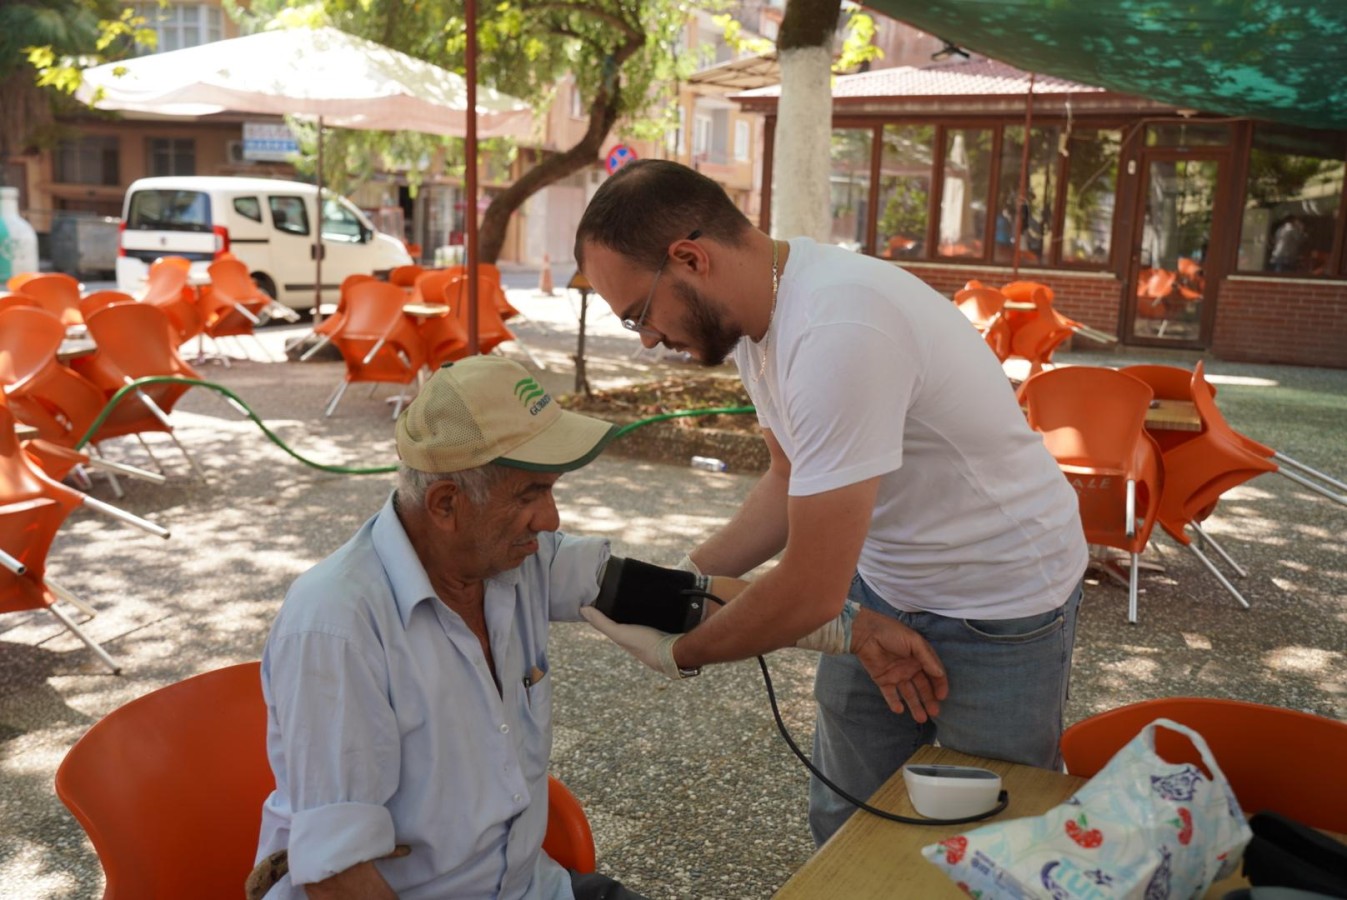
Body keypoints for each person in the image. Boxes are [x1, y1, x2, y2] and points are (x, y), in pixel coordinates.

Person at [253, 355, 946, 898]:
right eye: (531, 495)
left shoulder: (513, 561)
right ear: (442, 504)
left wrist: (847, 631)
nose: (551, 520)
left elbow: (674, 596)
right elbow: (337, 874)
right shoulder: (337, 628)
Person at [574, 159, 1088, 845]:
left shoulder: (839, 328)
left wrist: (685, 648)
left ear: (690, 259)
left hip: (1000, 604)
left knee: (985, 840)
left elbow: (810, 594)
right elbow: (788, 480)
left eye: (638, 313)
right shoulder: (762, 319)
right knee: (847, 820)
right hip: (881, 583)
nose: (645, 339)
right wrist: (682, 579)